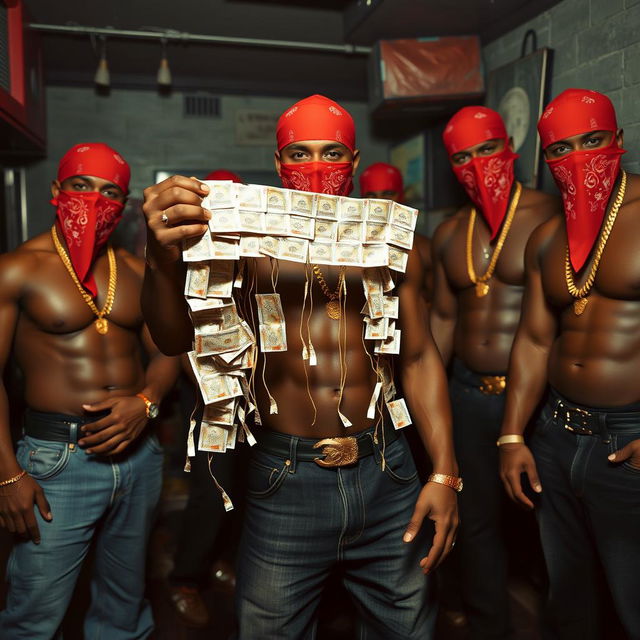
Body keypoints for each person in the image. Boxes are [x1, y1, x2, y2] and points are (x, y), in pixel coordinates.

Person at [141, 94, 459, 639]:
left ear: (355, 161)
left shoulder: (397, 246)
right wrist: (160, 258)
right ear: (278, 165)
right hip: (285, 477)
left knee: (408, 630)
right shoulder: (244, 245)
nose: (315, 168)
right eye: (299, 154)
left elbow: (421, 355)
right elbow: (173, 340)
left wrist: (446, 471)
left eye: (331, 153)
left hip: (387, 469)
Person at [0, 143, 180, 639]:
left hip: (137, 454)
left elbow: (169, 350)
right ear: (57, 191)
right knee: (35, 615)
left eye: (110, 193)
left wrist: (146, 403)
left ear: (122, 207)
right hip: (58, 458)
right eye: (81, 186)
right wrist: (7, 475)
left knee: (125, 606)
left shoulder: (136, 269)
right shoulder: (19, 268)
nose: (95, 201)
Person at [499, 88, 640, 640]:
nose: (578, 157)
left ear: (619, 141)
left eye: (593, 141)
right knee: (570, 597)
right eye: (561, 148)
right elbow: (534, 340)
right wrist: (511, 436)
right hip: (556, 434)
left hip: (629, 437)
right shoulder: (546, 238)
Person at [430, 106, 558, 639]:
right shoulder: (448, 232)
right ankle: (490, 627)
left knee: (551, 523)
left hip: (539, 401)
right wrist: (422, 398)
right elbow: (441, 318)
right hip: (466, 396)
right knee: (475, 522)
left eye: (487, 149)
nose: (477, 164)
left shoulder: (549, 214)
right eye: (462, 156)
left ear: (510, 147)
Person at [168, 168, 244, 628]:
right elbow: (176, 339)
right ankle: (184, 578)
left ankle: (221, 561)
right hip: (208, 397)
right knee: (210, 493)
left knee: (243, 490)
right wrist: (210, 392)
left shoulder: (248, 253)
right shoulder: (186, 258)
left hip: (250, 397)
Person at [360, 162, 433, 306]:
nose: (381, 203)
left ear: (402, 196)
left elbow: (438, 308)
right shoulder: (352, 250)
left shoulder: (424, 248)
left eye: (387, 194)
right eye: (372, 196)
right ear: (363, 201)